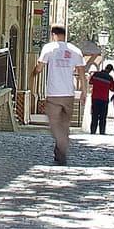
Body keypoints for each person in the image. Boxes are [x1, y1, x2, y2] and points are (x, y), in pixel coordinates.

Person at [33, 25, 85, 163]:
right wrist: (84, 92)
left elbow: (39, 67)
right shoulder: (75, 51)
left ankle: (61, 147)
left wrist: (35, 72)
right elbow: (81, 73)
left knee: (55, 124)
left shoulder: (49, 48)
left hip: (54, 93)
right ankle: (59, 152)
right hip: (69, 94)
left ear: (53, 34)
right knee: (64, 124)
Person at [87, 61, 114, 135]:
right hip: (104, 99)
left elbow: (90, 82)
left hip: (95, 97)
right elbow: (112, 89)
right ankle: (102, 131)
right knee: (103, 116)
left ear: (105, 67)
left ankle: (93, 131)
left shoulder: (96, 74)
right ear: (110, 70)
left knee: (94, 115)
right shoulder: (110, 78)